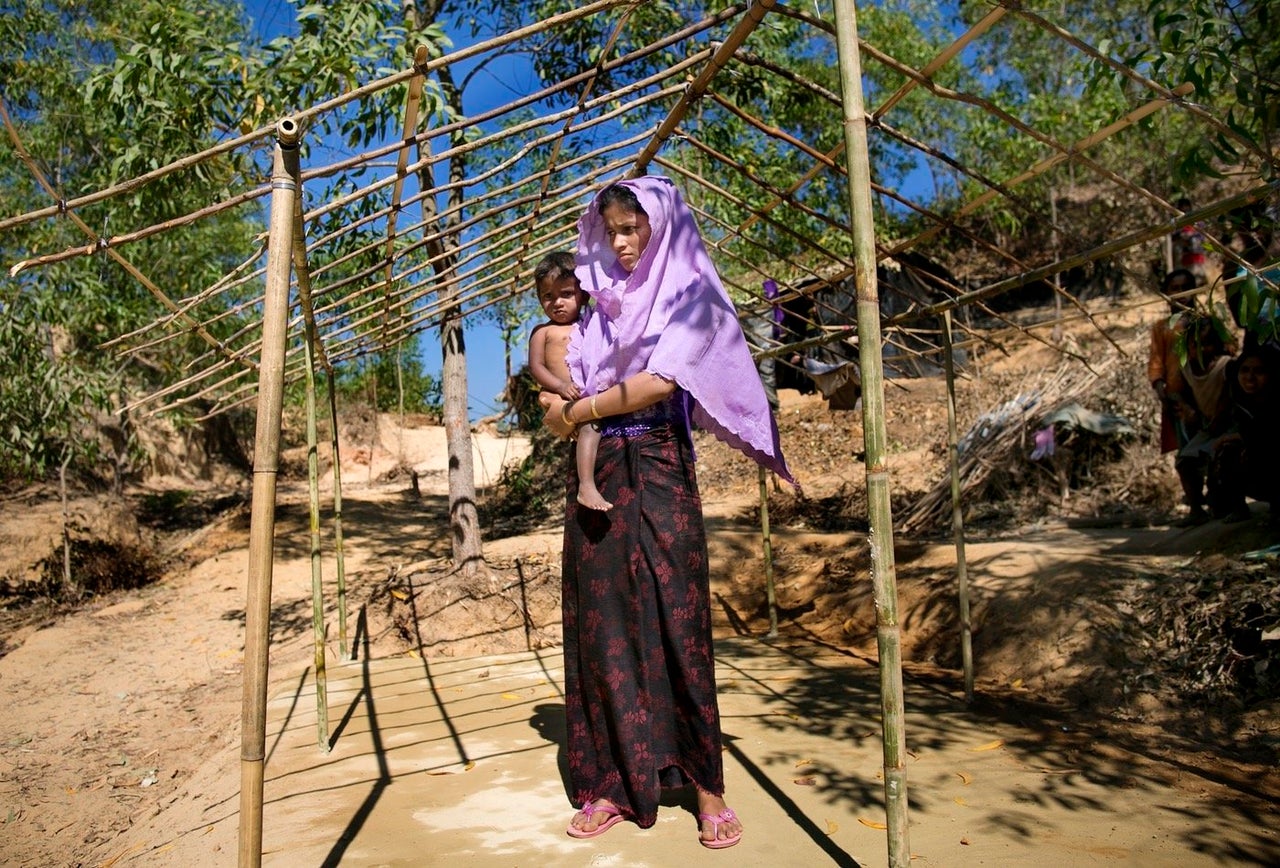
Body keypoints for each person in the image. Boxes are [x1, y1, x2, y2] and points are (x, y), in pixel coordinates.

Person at [543, 177, 793, 849]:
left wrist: (579, 411)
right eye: (613, 231)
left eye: (633, 228)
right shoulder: (600, 310)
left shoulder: (692, 294)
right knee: (603, 626)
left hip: (657, 469)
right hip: (597, 477)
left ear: (663, 225)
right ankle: (609, 784)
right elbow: (558, 397)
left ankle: (707, 788)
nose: (621, 244)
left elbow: (659, 382)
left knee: (677, 617)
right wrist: (566, 411)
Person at [527, 252, 611, 511]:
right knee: (590, 424)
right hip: (560, 397)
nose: (557, 303)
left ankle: (590, 480)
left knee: (594, 427)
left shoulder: (591, 324)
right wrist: (560, 386)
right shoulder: (543, 331)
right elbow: (536, 367)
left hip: (586, 397)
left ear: (583, 294)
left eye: (565, 294)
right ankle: (586, 486)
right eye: (548, 296)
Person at [1208, 344, 1280, 524]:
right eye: (1245, 370)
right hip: (1257, 465)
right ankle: (1237, 507)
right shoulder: (1240, 399)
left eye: (1258, 371)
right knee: (1226, 452)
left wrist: (1243, 438)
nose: (1250, 377)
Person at [1171, 197, 1208, 286]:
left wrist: (1191, 235)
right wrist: (1182, 236)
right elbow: (1173, 236)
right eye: (1182, 207)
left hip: (1196, 254)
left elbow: (1202, 235)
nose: (1184, 209)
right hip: (1182, 256)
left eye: (1186, 206)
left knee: (1197, 279)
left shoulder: (1197, 219)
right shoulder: (1176, 222)